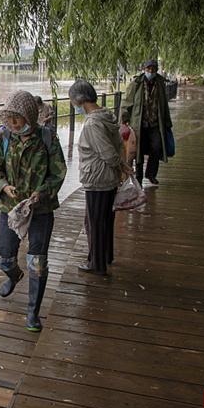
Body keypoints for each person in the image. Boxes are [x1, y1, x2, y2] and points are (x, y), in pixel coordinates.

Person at [0, 90, 66, 332]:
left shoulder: (47, 137)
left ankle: (33, 312)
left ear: (29, 116)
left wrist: (39, 195)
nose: (11, 123)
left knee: (37, 261)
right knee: (4, 256)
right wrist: (4, 186)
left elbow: (58, 173)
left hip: (40, 209)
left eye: (16, 118)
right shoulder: (4, 137)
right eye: (8, 118)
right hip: (10, 208)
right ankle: (13, 276)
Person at [69, 80, 134, 276]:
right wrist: (121, 166)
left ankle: (96, 263)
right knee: (105, 218)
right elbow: (118, 146)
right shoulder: (108, 116)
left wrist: (120, 165)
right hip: (109, 177)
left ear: (80, 101)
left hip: (97, 178)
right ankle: (105, 255)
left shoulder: (92, 123)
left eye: (73, 102)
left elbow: (106, 151)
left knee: (94, 221)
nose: (73, 106)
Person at [120, 59, 173, 187]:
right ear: (144, 69)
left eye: (153, 69)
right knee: (138, 150)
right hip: (139, 124)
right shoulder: (136, 84)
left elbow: (164, 104)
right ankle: (138, 177)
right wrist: (123, 120)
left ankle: (151, 174)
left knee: (156, 147)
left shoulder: (159, 84)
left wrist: (167, 122)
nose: (151, 71)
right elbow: (126, 103)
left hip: (155, 123)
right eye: (149, 69)